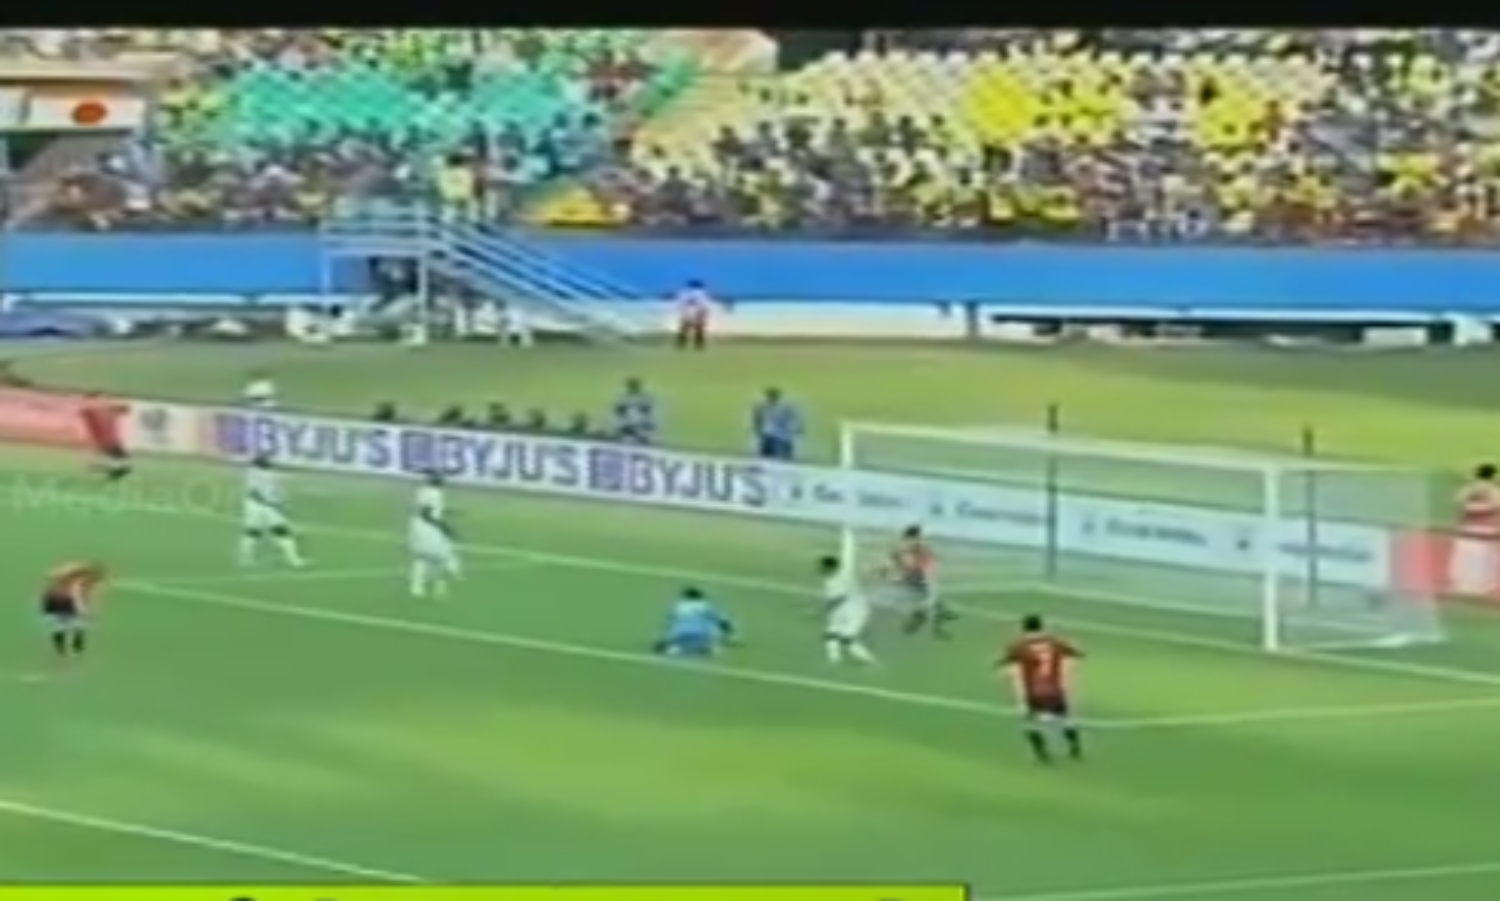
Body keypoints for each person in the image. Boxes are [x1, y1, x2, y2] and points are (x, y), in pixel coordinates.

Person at [1000, 615, 1084, 764]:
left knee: (1029, 722)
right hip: (1056, 691)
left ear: (1023, 628)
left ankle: (1041, 754)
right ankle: (1075, 747)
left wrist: (1020, 696)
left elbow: (1007, 665)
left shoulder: (1018, 647)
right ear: (1042, 626)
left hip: (1033, 693)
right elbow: (1077, 653)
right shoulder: (1055, 643)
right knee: (1065, 719)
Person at [239, 455, 306, 567]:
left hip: (252, 505)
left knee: (252, 532)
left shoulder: (251, 473)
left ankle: (245, 559)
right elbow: (261, 492)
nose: (270, 463)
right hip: (266, 506)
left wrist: (276, 502)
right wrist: (273, 503)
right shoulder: (267, 475)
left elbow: (254, 492)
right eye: (267, 462)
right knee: (281, 531)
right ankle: (294, 560)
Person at [40, 561, 105, 668]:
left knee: (78, 628)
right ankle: (61, 654)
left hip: (65, 600)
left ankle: (76, 654)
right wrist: (84, 610)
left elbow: (90, 595)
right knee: (59, 628)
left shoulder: (91, 582)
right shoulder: (76, 577)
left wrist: (92, 608)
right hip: (55, 601)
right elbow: (77, 595)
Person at [409, 471, 462, 598]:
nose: (443, 481)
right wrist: (446, 528)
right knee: (440, 555)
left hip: (418, 524)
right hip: (428, 527)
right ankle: (442, 584)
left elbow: (429, 509)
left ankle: (417, 586)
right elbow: (427, 514)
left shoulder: (424, 490)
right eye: (441, 479)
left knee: (422, 556)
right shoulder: (436, 493)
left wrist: (449, 511)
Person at [819, 554, 876, 665]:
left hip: (856, 611)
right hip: (842, 610)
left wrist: (823, 610)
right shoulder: (831, 577)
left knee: (847, 640)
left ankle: (871, 661)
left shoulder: (841, 579)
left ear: (831, 568)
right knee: (830, 634)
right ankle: (834, 661)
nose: (821, 569)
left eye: (823, 567)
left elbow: (838, 599)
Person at [653, 586, 735, 656]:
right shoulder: (705, 605)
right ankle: (710, 647)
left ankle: (674, 648)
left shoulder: (678, 606)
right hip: (703, 635)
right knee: (712, 624)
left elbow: (669, 624)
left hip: (680, 634)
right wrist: (728, 635)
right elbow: (723, 622)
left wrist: (666, 639)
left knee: (676, 628)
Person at [81, 392, 131, 481]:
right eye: (99, 398)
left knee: (122, 461)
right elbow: (86, 411)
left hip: (112, 440)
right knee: (120, 461)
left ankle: (102, 470)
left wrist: (114, 405)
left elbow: (125, 409)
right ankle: (99, 469)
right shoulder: (91, 411)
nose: (103, 400)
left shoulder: (107, 409)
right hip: (105, 441)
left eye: (103, 398)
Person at [751, 387, 803, 461]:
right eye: (770, 397)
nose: (771, 399)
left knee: (782, 458)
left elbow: (796, 417)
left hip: (781, 437)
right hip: (770, 436)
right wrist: (757, 427)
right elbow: (757, 418)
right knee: (766, 458)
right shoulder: (762, 406)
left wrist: (799, 427)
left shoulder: (786, 406)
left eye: (772, 397)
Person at [613, 377, 658, 444]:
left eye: (634, 386)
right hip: (629, 426)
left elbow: (648, 411)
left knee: (643, 438)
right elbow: (619, 411)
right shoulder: (624, 398)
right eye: (632, 386)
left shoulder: (644, 398)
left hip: (640, 426)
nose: (633, 388)